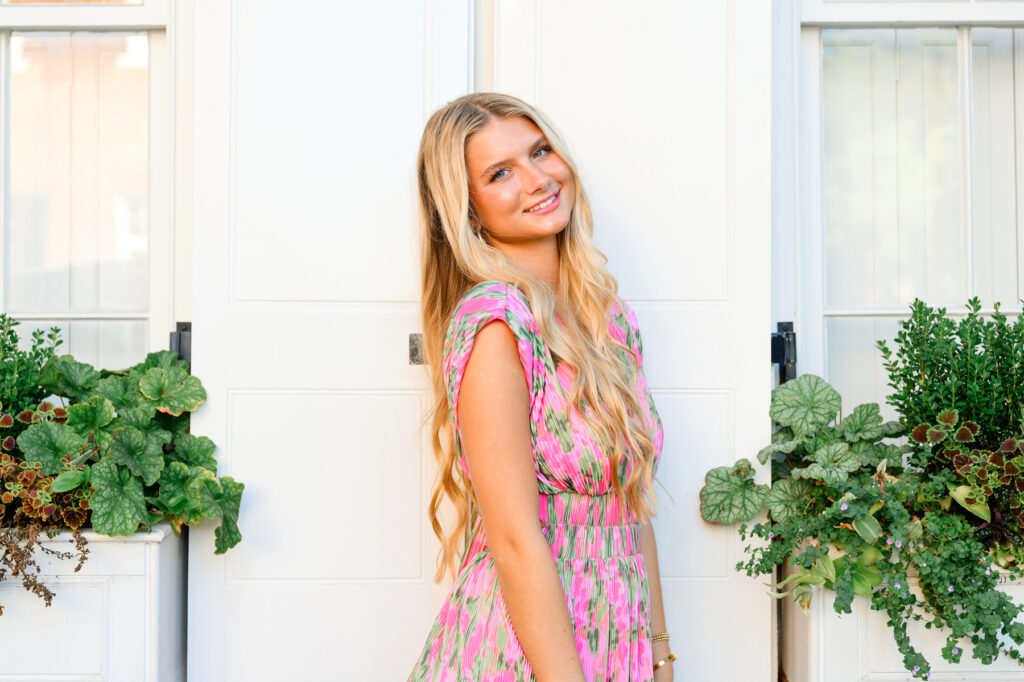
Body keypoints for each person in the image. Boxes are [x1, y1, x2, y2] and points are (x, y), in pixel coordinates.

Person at [408, 92, 672, 682]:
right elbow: (513, 538)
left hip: (617, 638)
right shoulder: (496, 323)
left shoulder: (606, 316)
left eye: (540, 151)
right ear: (468, 208)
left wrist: (659, 651)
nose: (537, 178)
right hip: (527, 653)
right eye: (500, 173)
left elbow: (634, 502)